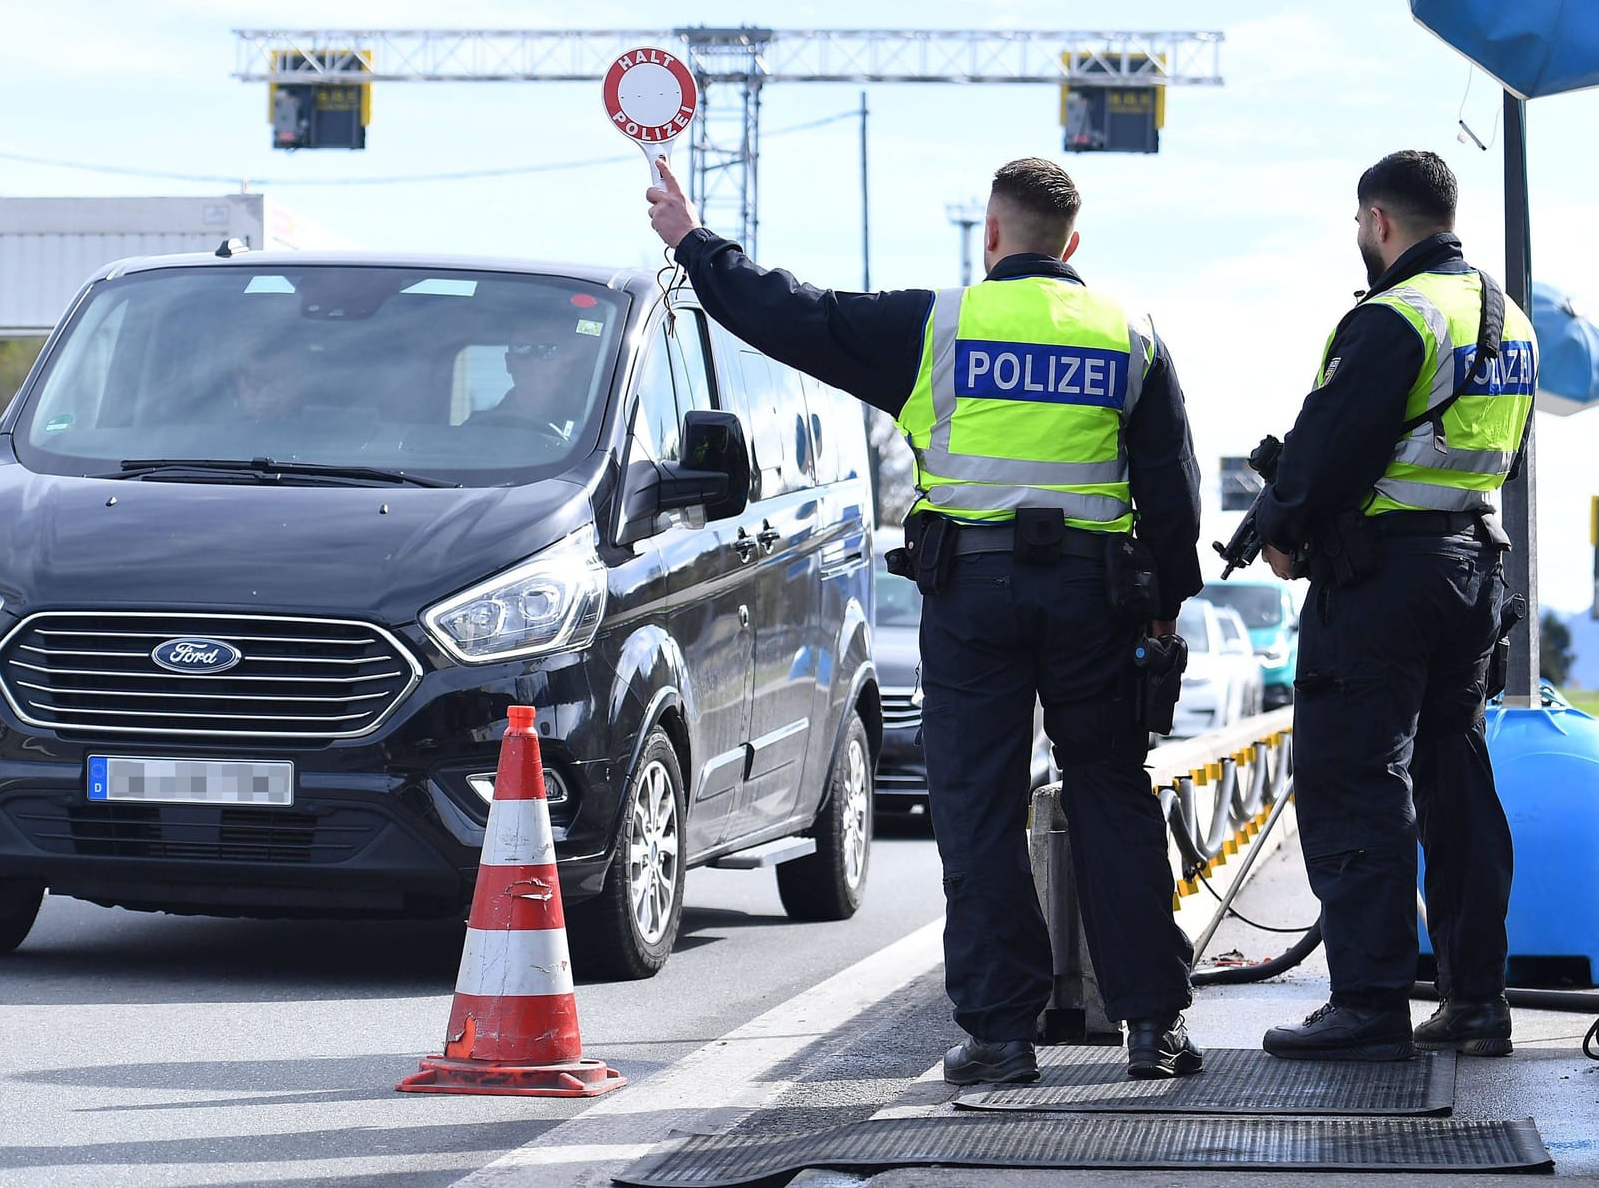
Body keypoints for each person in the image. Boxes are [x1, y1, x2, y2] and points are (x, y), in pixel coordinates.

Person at [646, 155, 1206, 1084]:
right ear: (1072, 246)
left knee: (977, 810)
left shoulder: (938, 325)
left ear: (992, 236)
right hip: (1093, 599)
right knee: (1111, 797)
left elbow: (794, 313)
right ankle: (1151, 1027)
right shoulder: (1130, 334)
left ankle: (1001, 1035)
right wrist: (1163, 611)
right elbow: (1173, 494)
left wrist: (694, 243)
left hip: (972, 596)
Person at [1255, 151, 1537, 1061]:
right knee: (1454, 780)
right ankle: (1476, 1000)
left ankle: (1370, 1005)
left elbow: (1327, 450)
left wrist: (1284, 527)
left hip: (1384, 584)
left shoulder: (1392, 318)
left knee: (1353, 779)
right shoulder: (1508, 320)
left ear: (1379, 222)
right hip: (1471, 569)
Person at [463, 336, 599, 440]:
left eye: (548, 349)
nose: (534, 360)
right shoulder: (477, 429)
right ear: (508, 362)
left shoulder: (592, 433)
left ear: (565, 365)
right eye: (522, 348)